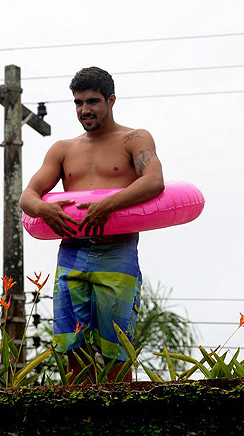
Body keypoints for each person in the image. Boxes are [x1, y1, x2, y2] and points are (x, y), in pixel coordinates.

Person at [20, 66, 164, 382]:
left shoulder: (134, 139)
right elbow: (27, 196)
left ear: (111, 100)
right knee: (74, 352)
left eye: (93, 101)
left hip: (117, 253)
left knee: (116, 353)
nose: (85, 110)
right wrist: (44, 209)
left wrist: (109, 204)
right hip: (72, 253)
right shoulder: (63, 149)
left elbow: (154, 181)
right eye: (78, 102)